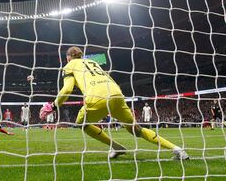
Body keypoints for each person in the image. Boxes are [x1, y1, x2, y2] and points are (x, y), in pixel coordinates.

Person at [39, 46, 189, 160]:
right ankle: (177, 149)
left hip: (97, 97)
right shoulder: (92, 62)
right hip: (116, 94)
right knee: (137, 130)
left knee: (81, 123)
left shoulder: (69, 66)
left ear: (68, 58)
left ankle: (116, 147)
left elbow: (67, 89)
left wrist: (52, 106)